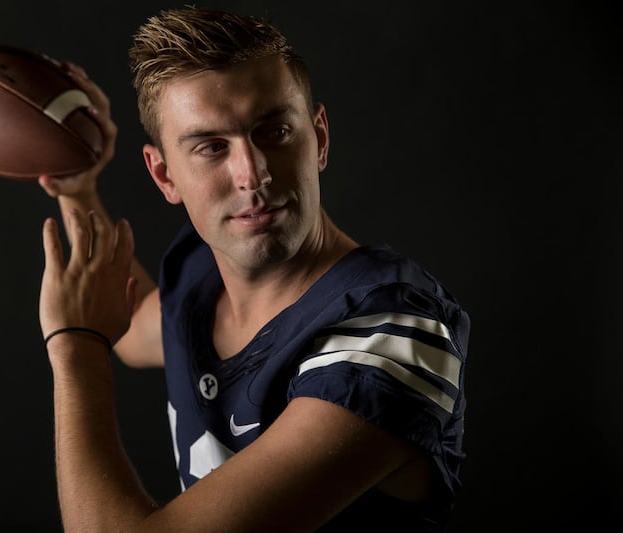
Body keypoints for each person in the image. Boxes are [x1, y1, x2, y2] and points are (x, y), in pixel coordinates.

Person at [36, 6, 470, 532]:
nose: (252, 173)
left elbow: (98, 330)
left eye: (275, 132)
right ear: (164, 175)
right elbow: (129, 327)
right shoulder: (203, 271)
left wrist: (73, 347)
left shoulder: (387, 335)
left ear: (320, 138)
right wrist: (78, 186)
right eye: (211, 147)